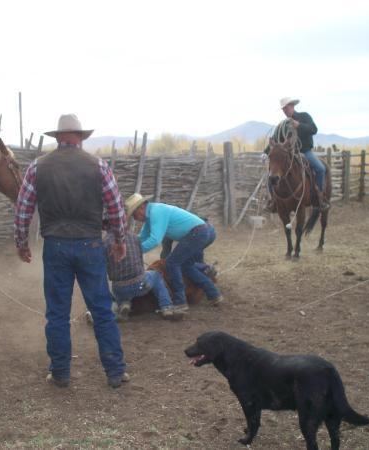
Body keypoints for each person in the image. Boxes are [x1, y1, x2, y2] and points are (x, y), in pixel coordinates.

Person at [14, 114, 129, 388]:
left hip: (55, 246)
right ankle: (115, 372)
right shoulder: (98, 166)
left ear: (58, 137)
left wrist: (21, 242)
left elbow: (22, 210)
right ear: (80, 137)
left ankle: (61, 372)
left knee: (57, 313)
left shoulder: (37, 167)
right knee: (101, 309)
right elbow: (115, 207)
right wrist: (119, 239)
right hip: (90, 244)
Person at [126, 193, 223, 313]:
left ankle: (180, 302)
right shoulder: (151, 216)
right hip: (201, 231)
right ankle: (213, 293)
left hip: (197, 232)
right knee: (186, 266)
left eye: (134, 215)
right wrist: (129, 246)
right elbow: (142, 237)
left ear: (140, 208)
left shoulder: (156, 212)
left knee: (172, 263)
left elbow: (155, 239)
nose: (135, 218)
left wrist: (136, 252)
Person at [105, 230, 183, 321]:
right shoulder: (134, 237)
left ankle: (124, 303)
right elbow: (140, 259)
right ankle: (167, 307)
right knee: (156, 275)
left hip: (119, 288)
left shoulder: (104, 242)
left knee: (113, 286)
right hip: (139, 284)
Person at [269, 97, 329, 211]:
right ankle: (273, 200)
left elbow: (314, 129)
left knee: (320, 169)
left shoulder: (304, 116)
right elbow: (275, 141)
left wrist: (299, 125)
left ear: (292, 106)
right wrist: (265, 152)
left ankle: (320, 197)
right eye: (283, 109)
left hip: (305, 152)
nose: (285, 111)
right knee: (271, 174)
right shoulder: (282, 125)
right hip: (289, 154)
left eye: (286, 108)